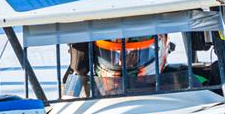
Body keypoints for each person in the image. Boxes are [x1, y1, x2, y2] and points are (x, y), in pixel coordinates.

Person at [61, 34, 215, 98]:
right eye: (111, 56)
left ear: (160, 49)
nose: (121, 62)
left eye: (132, 56)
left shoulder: (193, 81)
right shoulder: (81, 91)